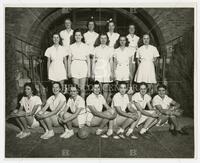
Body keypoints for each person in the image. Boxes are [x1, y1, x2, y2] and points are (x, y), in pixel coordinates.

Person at [68, 28, 91, 99]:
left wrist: (89, 72)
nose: (78, 37)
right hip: (74, 66)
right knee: (75, 88)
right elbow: (69, 60)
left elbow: (88, 60)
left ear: (82, 36)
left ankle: (82, 104)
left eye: (79, 35)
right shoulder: (71, 46)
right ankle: (76, 105)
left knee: (82, 88)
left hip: (83, 66)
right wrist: (69, 71)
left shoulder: (86, 46)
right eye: (76, 35)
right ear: (74, 37)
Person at [92, 33, 114, 103]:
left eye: (105, 38)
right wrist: (92, 73)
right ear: (99, 39)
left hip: (107, 69)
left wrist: (112, 73)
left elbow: (111, 61)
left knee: (106, 88)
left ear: (107, 39)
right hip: (98, 70)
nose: (103, 40)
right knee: (99, 88)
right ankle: (99, 103)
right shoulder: (96, 49)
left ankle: (104, 104)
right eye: (101, 38)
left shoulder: (110, 49)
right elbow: (93, 62)